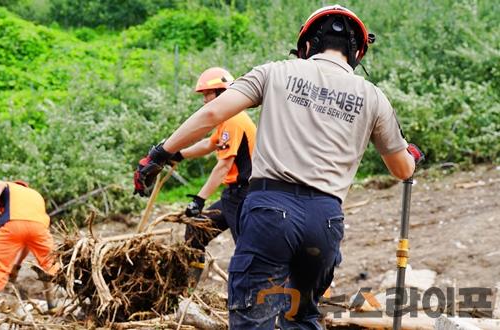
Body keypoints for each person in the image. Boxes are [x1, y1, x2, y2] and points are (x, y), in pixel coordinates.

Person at [134, 4, 424, 328]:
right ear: (357, 52)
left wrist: (160, 153)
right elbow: (402, 169)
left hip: (271, 211)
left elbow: (213, 113)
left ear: (307, 45)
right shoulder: (373, 97)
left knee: (252, 318)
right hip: (325, 221)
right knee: (301, 318)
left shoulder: (275, 72)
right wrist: (410, 154)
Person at [169, 67, 256, 278]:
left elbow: (224, 166)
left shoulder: (234, 120)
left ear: (222, 93)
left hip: (245, 196)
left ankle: (258, 300)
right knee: (196, 231)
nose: (205, 100)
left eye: (208, 94)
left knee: (249, 253)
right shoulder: (228, 119)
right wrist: (176, 154)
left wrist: (199, 200)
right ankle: (189, 288)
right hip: (233, 196)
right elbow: (209, 144)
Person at [0, 179, 57, 307]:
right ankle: (53, 306)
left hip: (12, 225)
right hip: (40, 229)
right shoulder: (35, 194)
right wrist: (16, 266)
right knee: (50, 267)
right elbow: (26, 240)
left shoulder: (7, 186)